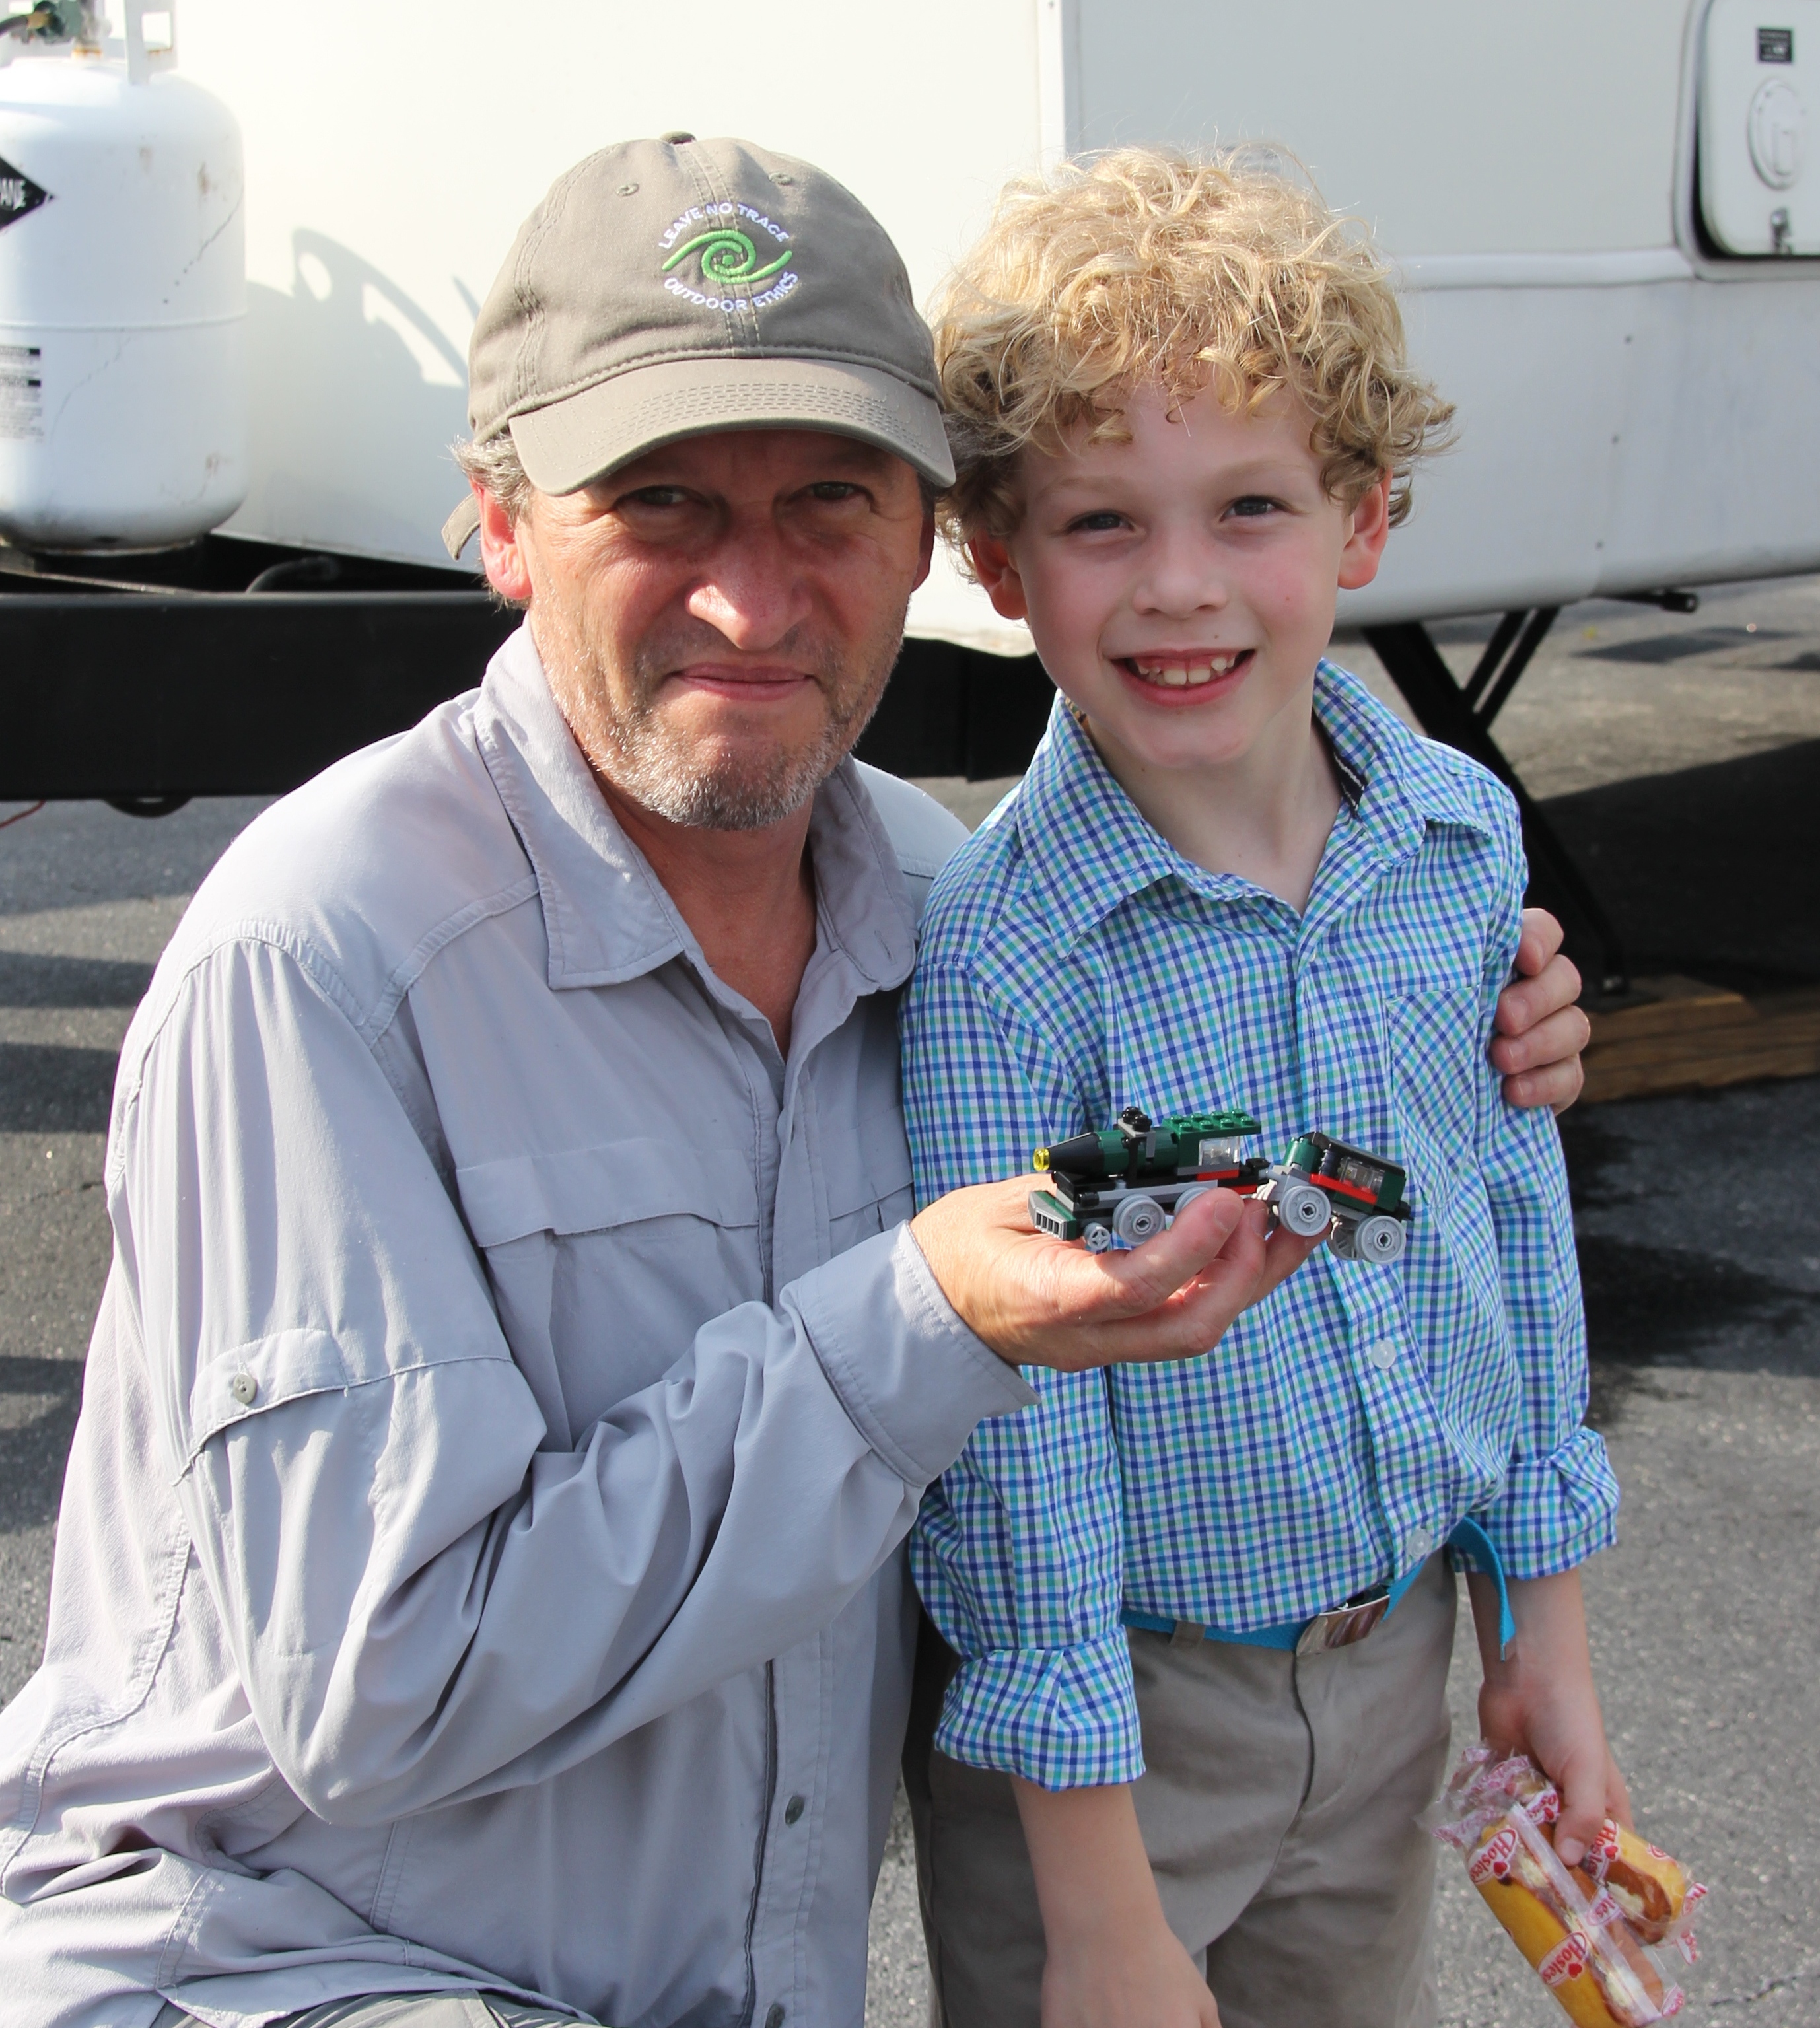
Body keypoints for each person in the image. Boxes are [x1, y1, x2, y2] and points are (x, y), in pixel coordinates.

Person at [0, 138, 1589, 2028]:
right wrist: (922, 1318)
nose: (753, 603)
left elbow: (1304, 1170)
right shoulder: (323, 958)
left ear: (927, 542)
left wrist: (1464, 1040)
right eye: (659, 503)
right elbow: (379, 1691)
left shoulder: (939, 904)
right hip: (292, 1963)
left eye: (825, 503)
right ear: (504, 523)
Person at [899, 150, 1626, 2028]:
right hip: (1117, 1735)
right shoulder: (1009, 960)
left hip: (1389, 1672)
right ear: (993, 559)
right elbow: (1019, 1421)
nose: (1179, 588)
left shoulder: (1453, 840)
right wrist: (1097, 1912)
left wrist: (1537, 1631)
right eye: (1097, 524)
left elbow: (1503, 1222)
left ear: (1362, 519)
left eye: (1246, 506)